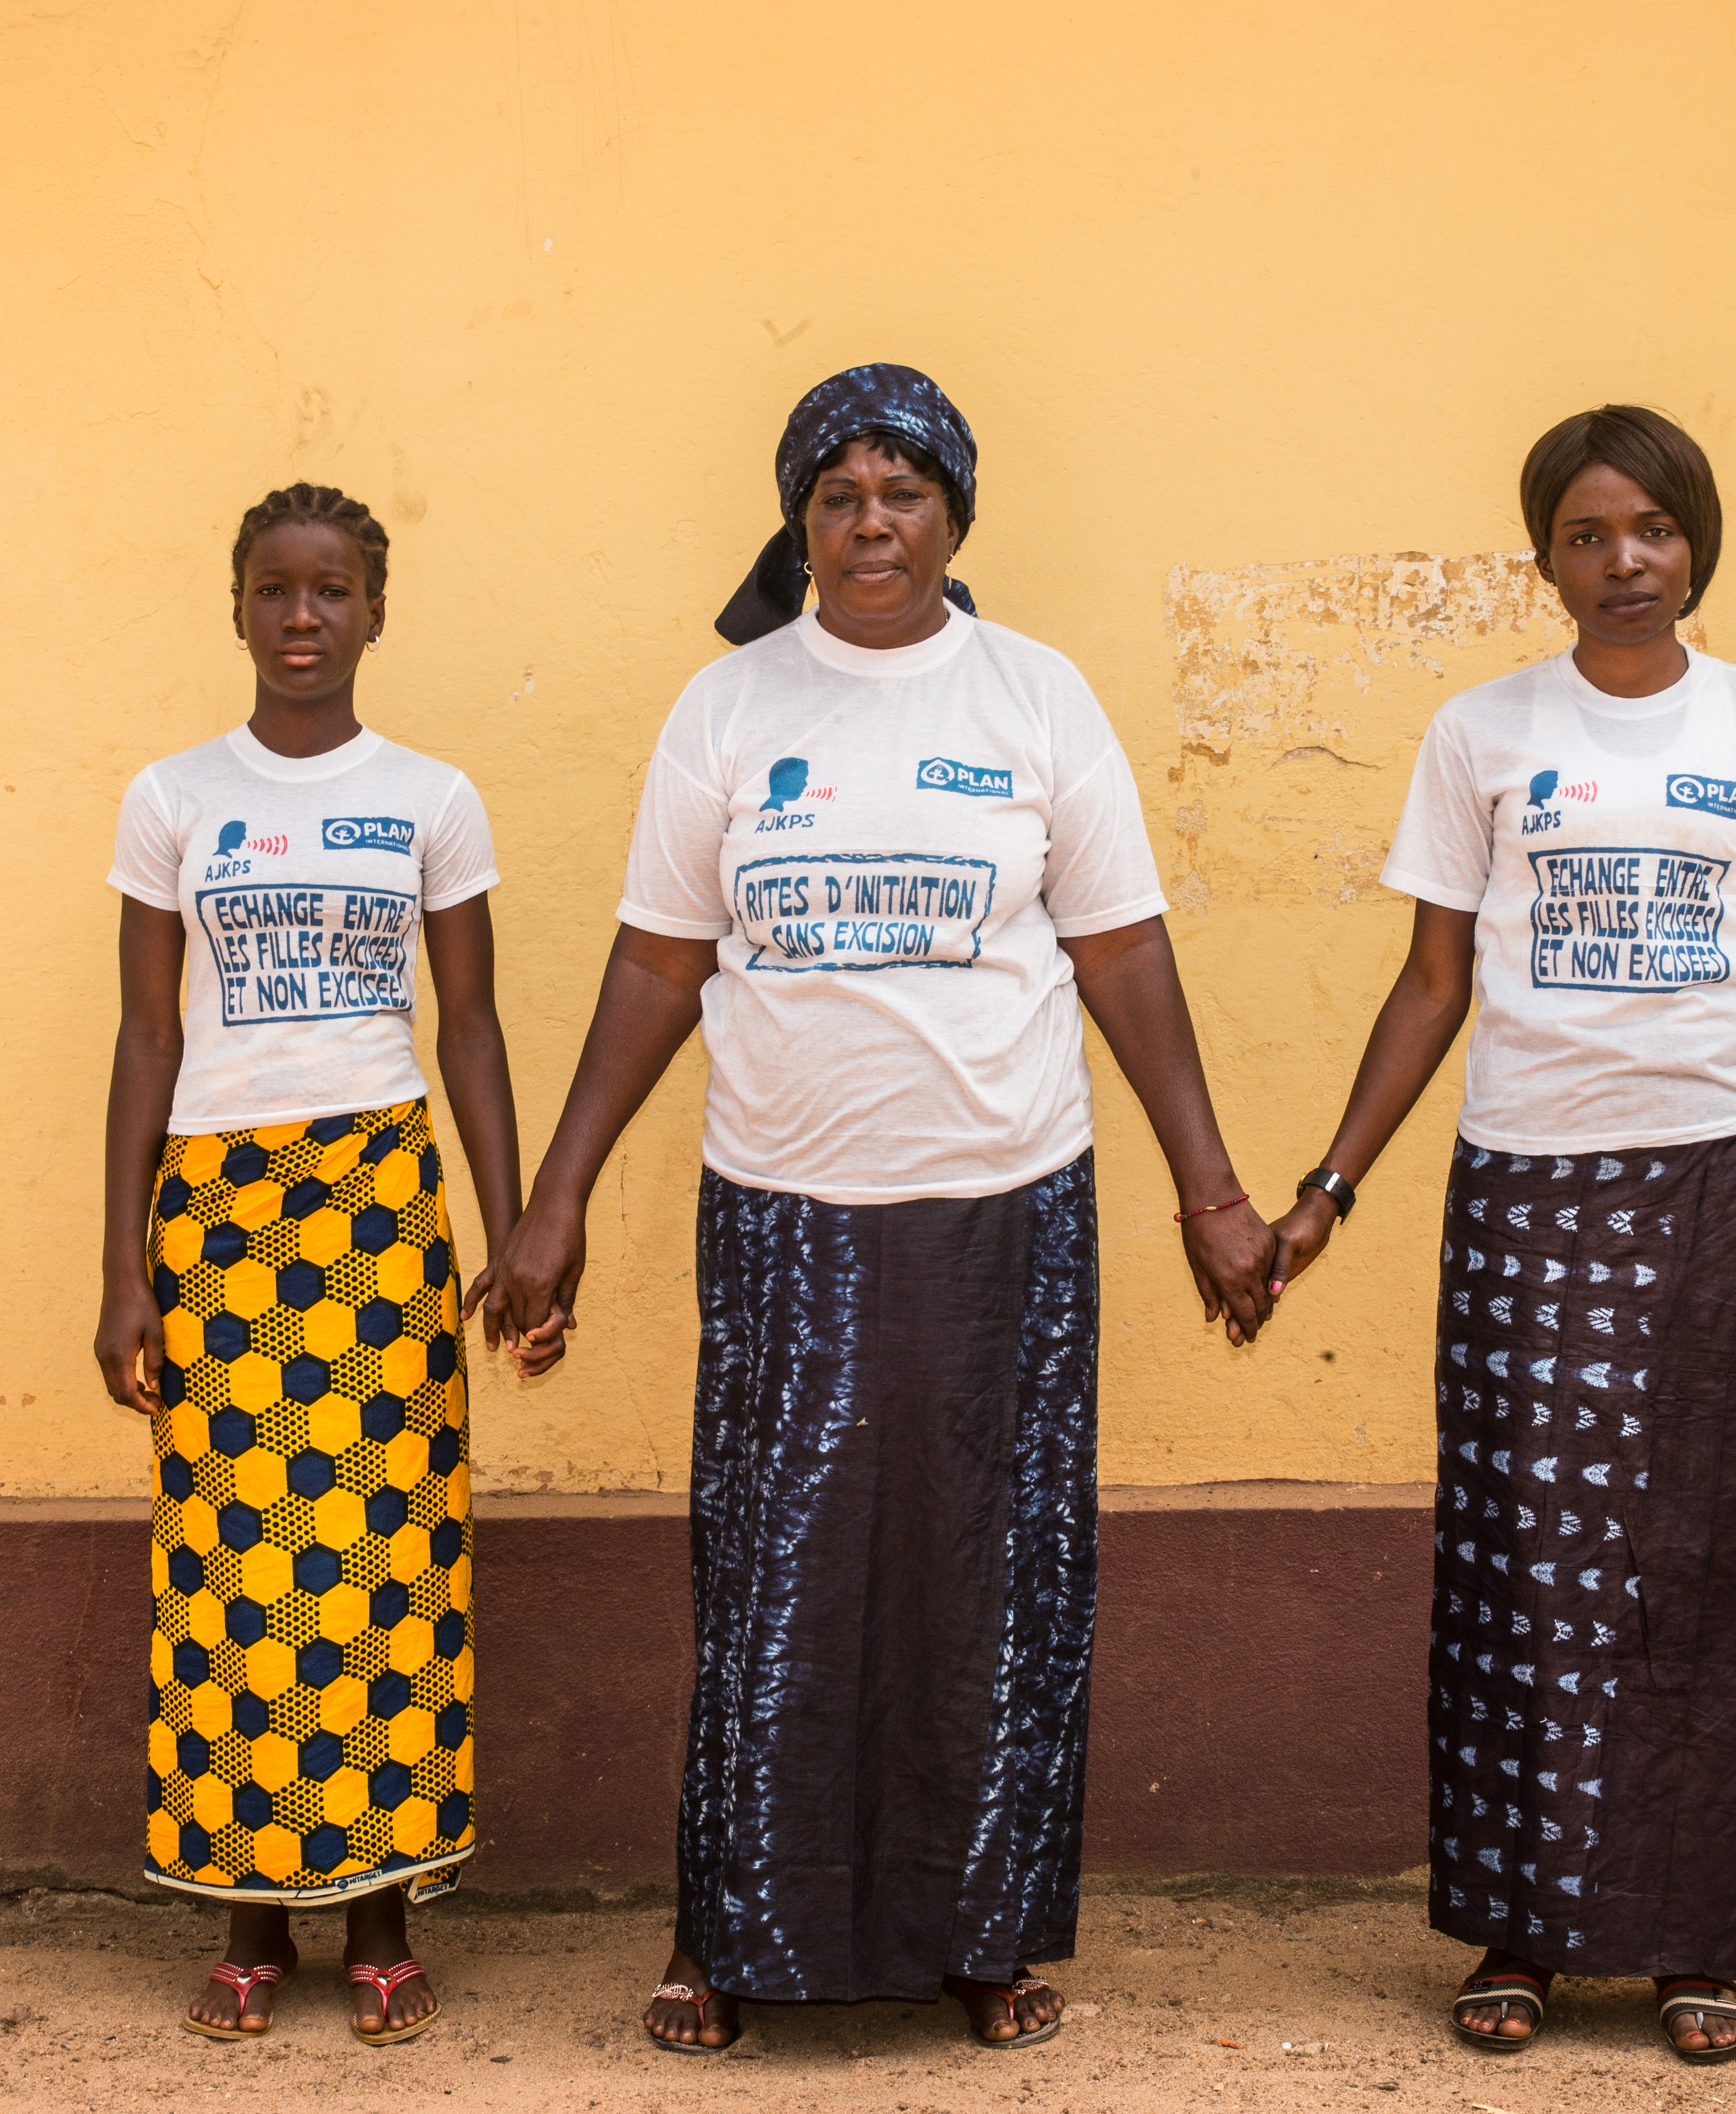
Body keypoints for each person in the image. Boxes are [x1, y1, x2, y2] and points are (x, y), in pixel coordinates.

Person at [482, 364, 1280, 2055]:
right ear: (798, 521)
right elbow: (656, 963)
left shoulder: (1037, 699)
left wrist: (1210, 1187)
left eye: (902, 493)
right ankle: (731, 1943)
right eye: (838, 495)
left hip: (1006, 1208)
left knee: (993, 1575)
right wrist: (556, 1201)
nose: (870, 525)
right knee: (776, 1574)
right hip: (787, 1214)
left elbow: (1124, 951)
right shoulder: (731, 709)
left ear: (954, 516)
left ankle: (980, 1940)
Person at [1265, 406, 1736, 2066]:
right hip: (1529, 1194)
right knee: (1528, 1570)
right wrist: (1329, 1188)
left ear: (1699, 544)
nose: (1625, 564)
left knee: (1717, 1568)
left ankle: (1701, 1940)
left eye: (1654, 532)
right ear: (1544, 557)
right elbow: (1434, 984)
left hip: (1720, 1188)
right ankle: (1522, 1934)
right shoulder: (1481, 732)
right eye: (1590, 536)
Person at [94, 483, 558, 2045]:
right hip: (218, 1219)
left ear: (375, 612)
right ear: (235, 608)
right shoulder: (173, 798)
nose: (305, 617)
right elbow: (148, 1034)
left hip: (375, 1205)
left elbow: (471, 1027)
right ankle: (247, 1922)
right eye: (277, 591)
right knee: (232, 1570)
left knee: (378, 1562)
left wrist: (515, 1234)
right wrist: (120, 1273)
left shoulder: (430, 797)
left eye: (334, 591)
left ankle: (375, 1915)